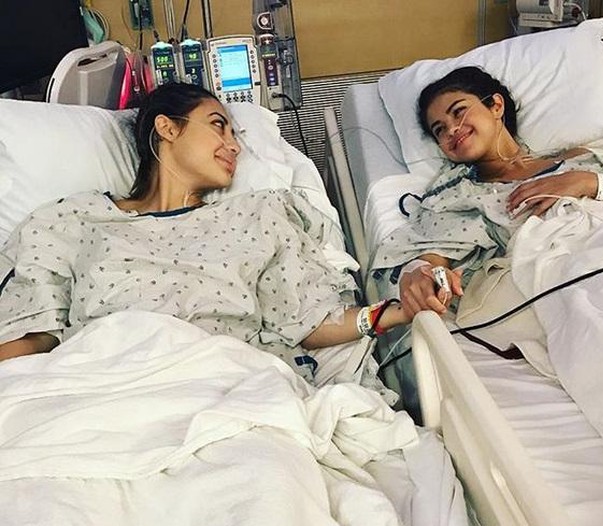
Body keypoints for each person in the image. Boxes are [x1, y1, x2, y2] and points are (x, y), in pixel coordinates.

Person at [0, 83, 411, 381]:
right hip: (103, 389)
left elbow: (310, 322)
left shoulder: (259, 214)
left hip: (229, 386)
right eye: (219, 126)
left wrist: (398, 310)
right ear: (167, 128)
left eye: (235, 134)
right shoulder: (73, 221)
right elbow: (35, 335)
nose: (234, 146)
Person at [390, 66, 603, 317]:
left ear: (496, 106)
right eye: (439, 130)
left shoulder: (579, 159)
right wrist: (419, 274)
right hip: (576, 280)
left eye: (458, 112)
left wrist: (588, 182)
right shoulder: (460, 194)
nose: (452, 130)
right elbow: (432, 261)